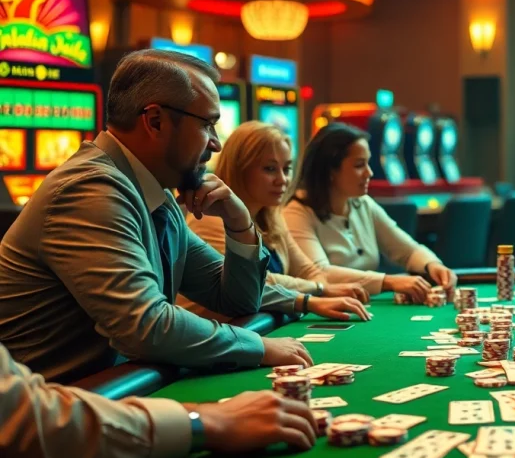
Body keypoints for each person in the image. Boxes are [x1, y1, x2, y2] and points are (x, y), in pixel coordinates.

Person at [0, 49, 366, 383]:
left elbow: (236, 301)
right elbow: (147, 327)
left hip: (107, 392)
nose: (216, 143)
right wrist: (258, 346)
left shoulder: (155, 195)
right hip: (47, 418)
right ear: (155, 121)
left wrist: (239, 222)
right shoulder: (91, 191)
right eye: (207, 124)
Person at [0, 342, 319, 458]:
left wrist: (240, 227)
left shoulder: (164, 208)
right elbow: (23, 416)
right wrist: (202, 421)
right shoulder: (89, 196)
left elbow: (232, 295)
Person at [184, 121, 377, 320]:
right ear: (239, 168)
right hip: (217, 338)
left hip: (257, 328)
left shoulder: (272, 216)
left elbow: (308, 270)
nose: (282, 179)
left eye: (287, 169)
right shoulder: (210, 216)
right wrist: (318, 291)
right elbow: (253, 283)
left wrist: (325, 288)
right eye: (270, 169)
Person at [283, 122, 457, 303]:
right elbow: (319, 274)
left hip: (361, 306)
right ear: (329, 171)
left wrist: (433, 265)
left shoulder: (362, 203)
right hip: (323, 310)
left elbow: (407, 250)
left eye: (368, 163)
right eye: (359, 165)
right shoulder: (296, 212)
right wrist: (388, 281)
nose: (369, 173)